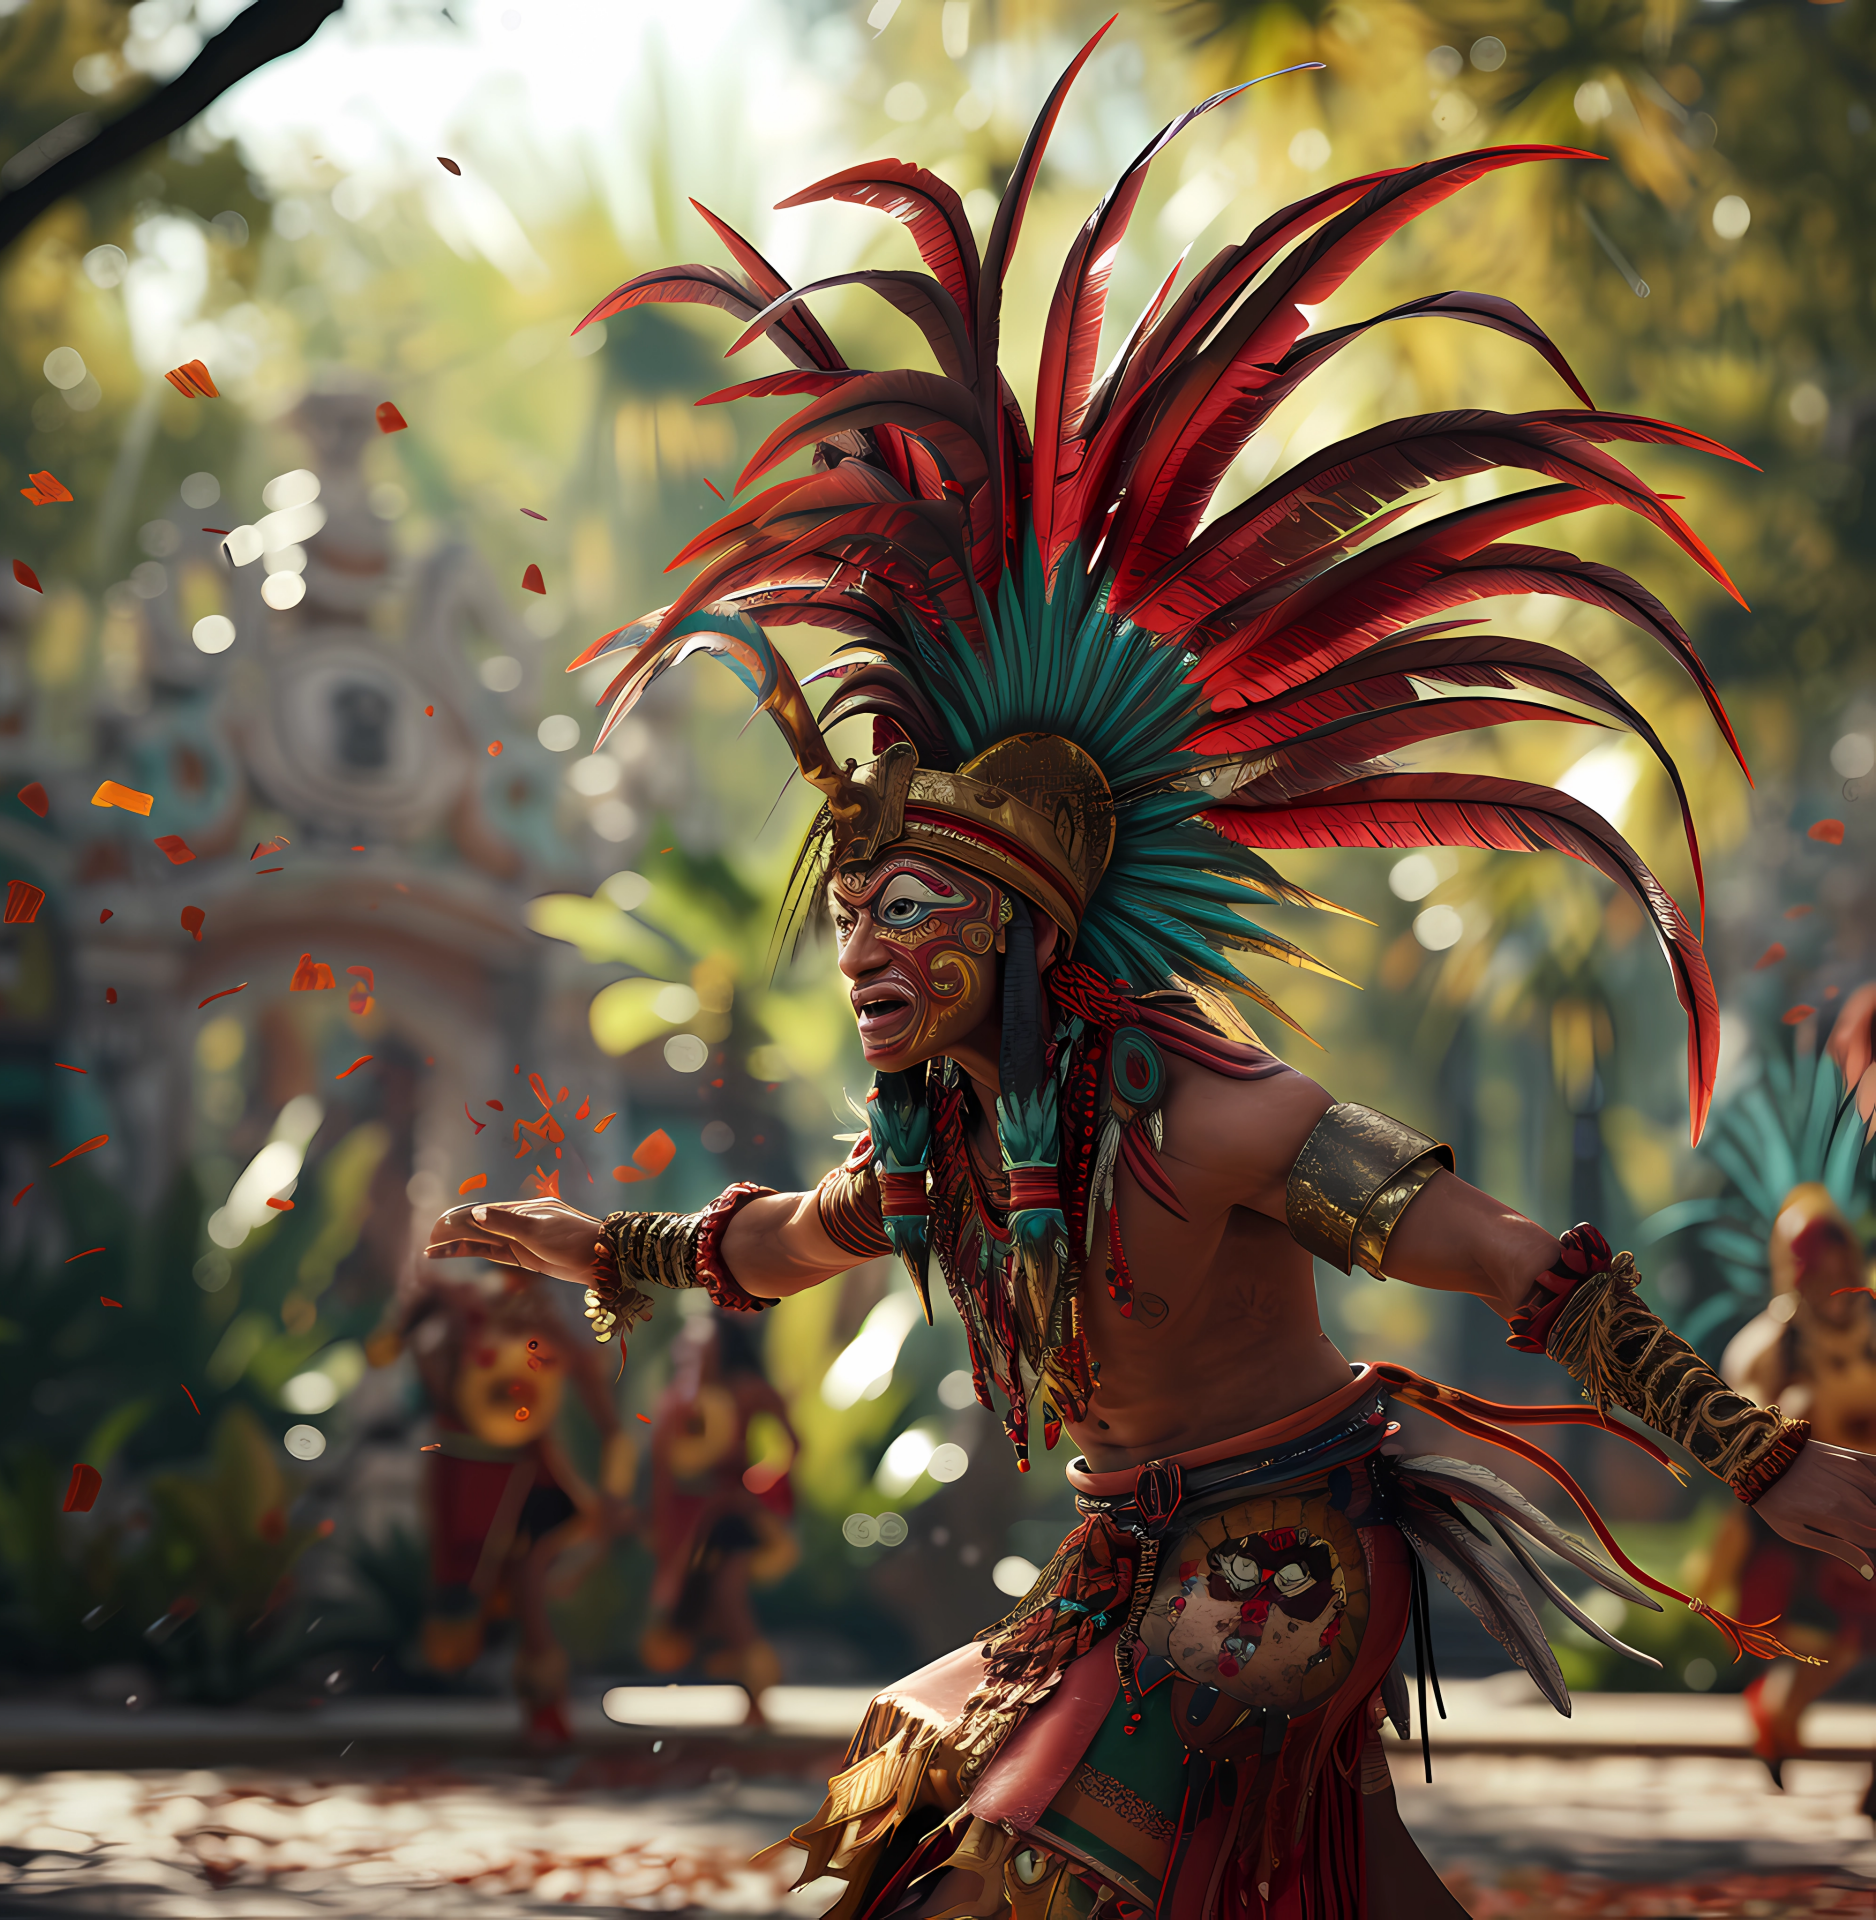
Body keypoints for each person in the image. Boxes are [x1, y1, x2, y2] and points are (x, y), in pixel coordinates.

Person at [426, 28, 1876, 1913]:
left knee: (1011, 1876)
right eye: (857, 914)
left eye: (915, 912)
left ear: (1026, 933)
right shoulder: (954, 1147)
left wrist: (1754, 1454)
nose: (865, 944)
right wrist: (605, 1247)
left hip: (1286, 1549)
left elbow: (1525, 1266)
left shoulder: (1219, 1116)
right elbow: (787, 1235)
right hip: (1131, 1559)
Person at [1692, 991, 1876, 1794]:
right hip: (1804, 1521)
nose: (1826, 1271)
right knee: (1822, 1643)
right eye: (1812, 1258)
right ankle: (1778, 1717)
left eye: (1833, 1254)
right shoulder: (1770, 1341)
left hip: (1866, 1501)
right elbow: (1743, 1433)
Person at [370, 1264, 637, 1745]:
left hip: (526, 1476)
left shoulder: (546, 1328)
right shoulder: (461, 1312)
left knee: (527, 1580)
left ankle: (545, 1710)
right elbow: (414, 1351)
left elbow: (607, 1421)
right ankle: (535, 1707)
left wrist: (615, 1489)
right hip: (466, 1474)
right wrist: (414, 1336)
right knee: (474, 1594)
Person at [640, 1309, 800, 1708]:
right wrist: (659, 1520)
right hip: (690, 1518)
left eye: (702, 1350)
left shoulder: (746, 1392)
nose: (693, 1359)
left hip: (731, 1517)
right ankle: (747, 1692)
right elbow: (664, 1468)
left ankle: (758, 1701)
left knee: (730, 1600)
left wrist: (759, 1488)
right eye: (688, 1352)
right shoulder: (677, 1403)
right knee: (705, 1606)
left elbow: (792, 1446)